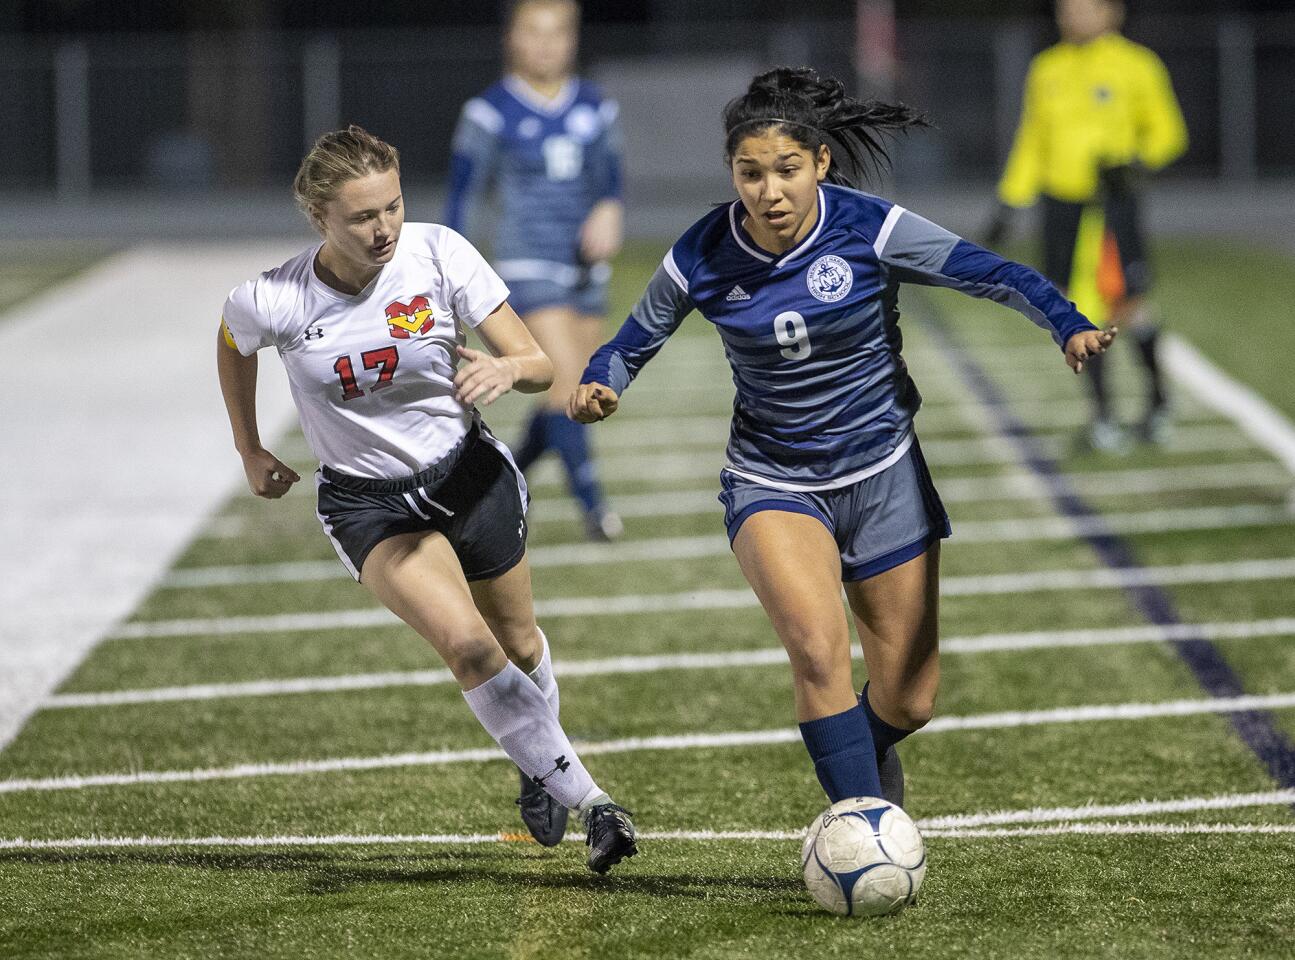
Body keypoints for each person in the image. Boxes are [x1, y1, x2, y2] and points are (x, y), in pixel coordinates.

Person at [570, 68, 1114, 812]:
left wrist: (1065, 321)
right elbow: (631, 341)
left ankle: (861, 745)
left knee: (911, 698)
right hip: (774, 481)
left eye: (787, 170)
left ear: (820, 163)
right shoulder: (701, 252)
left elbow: (990, 272)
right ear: (731, 173)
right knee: (817, 653)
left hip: (884, 474)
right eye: (749, 174)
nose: (769, 192)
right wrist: (602, 382)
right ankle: (859, 824)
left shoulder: (869, 227)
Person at [216, 125, 636, 874]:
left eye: (393, 206)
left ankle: (534, 759)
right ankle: (593, 802)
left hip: (468, 477)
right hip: (367, 506)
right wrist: (248, 446)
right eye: (362, 216)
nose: (384, 228)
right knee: (468, 647)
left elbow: (539, 363)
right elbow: (231, 340)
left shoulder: (438, 251)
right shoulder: (273, 297)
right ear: (319, 217)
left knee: (519, 643)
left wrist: (509, 372)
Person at [445, 0, 625, 541]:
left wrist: (610, 211)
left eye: (558, 33)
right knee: (564, 380)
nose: (547, 44)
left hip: (585, 269)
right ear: (513, 40)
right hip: (524, 266)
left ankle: (499, 480)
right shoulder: (489, 111)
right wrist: (453, 274)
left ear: (572, 39)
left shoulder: (596, 105)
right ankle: (596, 509)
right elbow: (461, 200)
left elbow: (611, 185)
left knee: (578, 393)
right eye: (534, 32)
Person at [986, 0, 1187, 451]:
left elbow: (1169, 131)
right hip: (1061, 208)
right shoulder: (1047, 67)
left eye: (1085, 7)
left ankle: (1157, 404)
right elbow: (1031, 139)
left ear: (1112, 12)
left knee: (1128, 306)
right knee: (1077, 309)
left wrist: (1136, 163)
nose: (1073, 15)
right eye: (1066, 8)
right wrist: (1008, 202)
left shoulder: (1137, 64)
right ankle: (1104, 419)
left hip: (1111, 204)